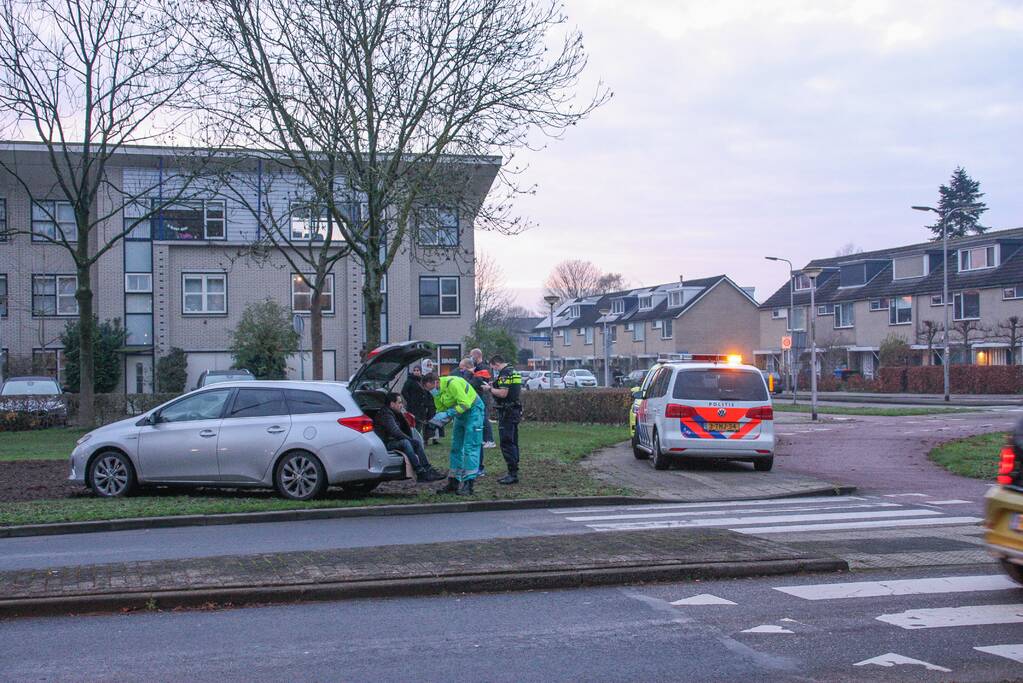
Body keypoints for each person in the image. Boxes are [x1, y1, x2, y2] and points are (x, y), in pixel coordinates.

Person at [421, 371, 484, 496]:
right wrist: (436, 421)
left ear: (436, 382)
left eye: (431, 389)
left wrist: (447, 414)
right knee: (456, 448)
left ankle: (468, 483)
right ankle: (454, 482)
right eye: (429, 390)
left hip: (473, 412)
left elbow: (465, 404)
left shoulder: (453, 384)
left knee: (470, 447)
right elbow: (441, 409)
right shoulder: (438, 391)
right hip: (460, 415)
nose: (431, 392)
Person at [372, 393, 446, 482]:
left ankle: (428, 470)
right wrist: (409, 439)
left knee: (415, 443)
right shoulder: (385, 415)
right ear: (392, 404)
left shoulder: (393, 413)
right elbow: (395, 431)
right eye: (399, 403)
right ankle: (420, 472)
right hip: (385, 443)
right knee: (406, 442)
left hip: (391, 440)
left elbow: (400, 429)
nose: (401, 405)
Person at [483, 354, 523, 484]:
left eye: (493, 367)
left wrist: (490, 389)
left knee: (506, 442)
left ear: (496, 364)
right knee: (513, 441)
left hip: (507, 411)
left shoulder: (505, 373)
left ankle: (512, 474)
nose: (494, 370)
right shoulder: (513, 371)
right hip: (515, 410)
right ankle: (514, 469)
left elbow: (503, 393)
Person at [402, 365, 439, 444]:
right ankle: (414, 440)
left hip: (423, 406)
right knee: (413, 423)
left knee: (422, 423)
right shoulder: (410, 381)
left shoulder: (423, 380)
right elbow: (404, 391)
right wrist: (410, 400)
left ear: (421, 372)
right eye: (415, 370)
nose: (416, 372)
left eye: (418, 370)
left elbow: (427, 391)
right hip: (413, 406)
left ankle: (424, 440)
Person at [470, 347, 497, 449]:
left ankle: (490, 440)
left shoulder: (483, 367)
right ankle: (484, 439)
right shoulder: (479, 367)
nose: (470, 358)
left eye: (471, 355)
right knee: (481, 417)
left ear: (476, 356)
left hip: (483, 395)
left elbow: (477, 382)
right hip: (480, 395)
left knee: (484, 418)